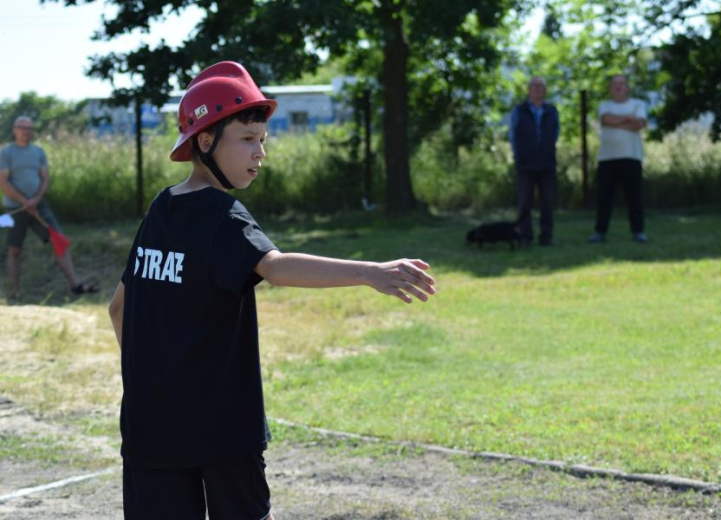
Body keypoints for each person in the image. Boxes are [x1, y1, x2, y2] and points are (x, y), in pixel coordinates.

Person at [107, 61, 436, 520]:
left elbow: (118, 307)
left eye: (263, 139)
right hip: (222, 430)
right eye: (247, 139)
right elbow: (275, 267)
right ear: (205, 141)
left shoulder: (160, 211)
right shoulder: (224, 215)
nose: (260, 152)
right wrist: (369, 271)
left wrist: (152, 384)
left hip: (150, 427)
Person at [0, 116, 97, 300]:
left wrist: (35, 200)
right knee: (14, 250)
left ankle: (75, 285)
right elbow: (3, 181)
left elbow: (45, 178)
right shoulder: (6, 153)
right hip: (15, 209)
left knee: (58, 240)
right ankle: (14, 292)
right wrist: (24, 202)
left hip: (39, 206)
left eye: (29, 128)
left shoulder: (38, 151)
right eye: (22, 127)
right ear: (15, 129)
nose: (26, 131)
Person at [589, 75, 649, 243]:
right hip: (607, 159)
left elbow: (638, 124)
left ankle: (638, 231)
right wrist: (628, 119)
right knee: (604, 197)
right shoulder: (604, 105)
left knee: (634, 197)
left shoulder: (638, 104)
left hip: (632, 157)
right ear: (610, 88)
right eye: (614, 84)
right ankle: (600, 232)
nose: (618, 87)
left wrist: (616, 121)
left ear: (627, 87)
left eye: (621, 84)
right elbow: (606, 119)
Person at [509, 76, 560, 246]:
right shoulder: (520, 110)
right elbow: (513, 135)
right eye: (534, 86)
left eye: (541, 86)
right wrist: (518, 156)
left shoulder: (552, 111)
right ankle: (525, 236)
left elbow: (555, 134)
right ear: (529, 89)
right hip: (525, 164)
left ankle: (547, 236)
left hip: (547, 163)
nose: (538, 89)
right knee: (525, 202)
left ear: (545, 90)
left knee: (547, 202)